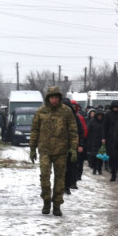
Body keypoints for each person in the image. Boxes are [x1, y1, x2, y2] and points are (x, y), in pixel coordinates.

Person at [29, 86, 79, 216]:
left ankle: (57, 204)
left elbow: (73, 130)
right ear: (48, 98)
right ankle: (46, 200)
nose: (54, 100)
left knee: (60, 179)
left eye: (56, 97)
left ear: (59, 98)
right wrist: (32, 148)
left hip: (61, 151)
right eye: (52, 97)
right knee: (44, 176)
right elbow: (35, 130)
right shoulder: (41, 111)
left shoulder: (66, 111)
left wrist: (73, 148)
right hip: (45, 150)